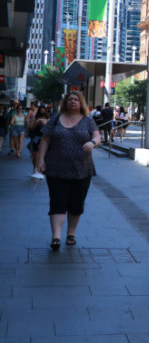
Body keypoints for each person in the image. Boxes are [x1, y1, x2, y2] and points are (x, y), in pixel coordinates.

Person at [35, 91, 101, 251]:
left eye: (76, 99)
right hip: (56, 169)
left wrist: (92, 143)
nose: (72, 101)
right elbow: (45, 140)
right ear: (65, 102)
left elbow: (97, 136)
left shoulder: (88, 120)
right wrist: (40, 159)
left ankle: (71, 233)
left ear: (81, 103)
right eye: (70, 99)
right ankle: (56, 236)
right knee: (57, 202)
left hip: (82, 169)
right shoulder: (56, 119)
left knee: (76, 204)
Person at [27, 106, 49, 177]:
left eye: (43, 111)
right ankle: (35, 168)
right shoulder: (35, 119)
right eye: (41, 111)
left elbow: (50, 128)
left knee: (41, 156)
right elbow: (30, 127)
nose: (42, 112)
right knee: (35, 156)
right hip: (36, 138)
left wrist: (45, 123)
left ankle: (40, 170)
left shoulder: (48, 119)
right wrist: (36, 123)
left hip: (44, 139)